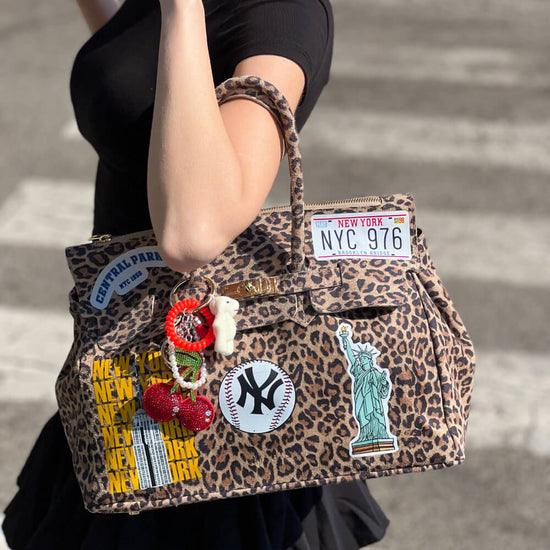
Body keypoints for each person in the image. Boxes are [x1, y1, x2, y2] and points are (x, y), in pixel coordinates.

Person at [3, 1, 389, 548]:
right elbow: (129, 84)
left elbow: (191, 236)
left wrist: (181, 9)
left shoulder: (282, 15)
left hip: (212, 426)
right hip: (121, 383)